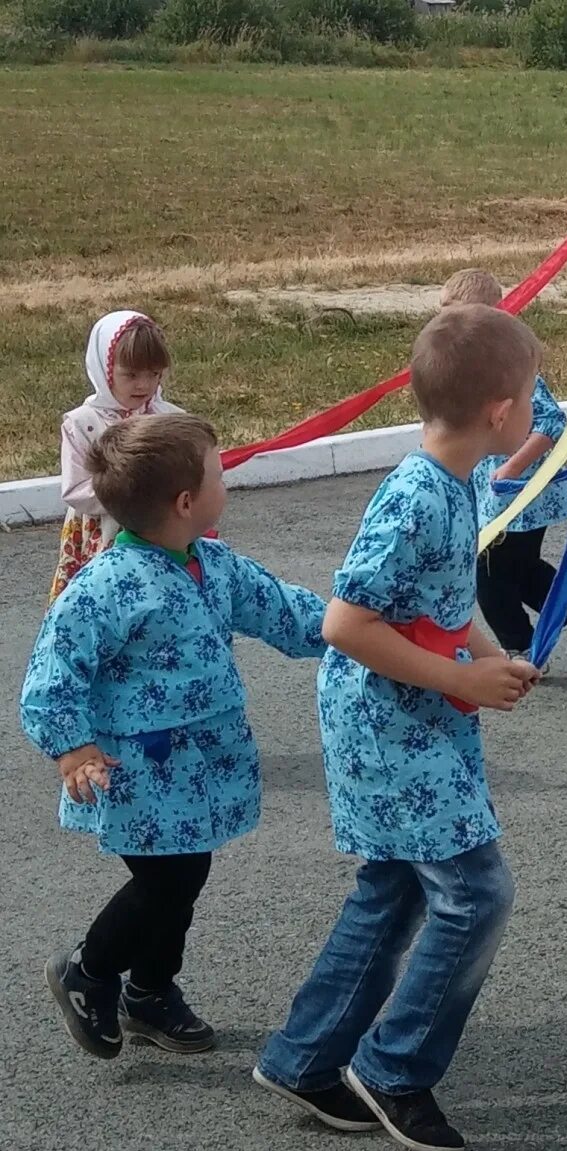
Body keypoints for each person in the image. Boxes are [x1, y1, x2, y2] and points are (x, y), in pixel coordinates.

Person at [255, 304, 542, 1151]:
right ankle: (393, 1067)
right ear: (498, 411)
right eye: (531, 395)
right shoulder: (417, 496)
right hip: (387, 728)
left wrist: (492, 655)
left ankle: (306, 1057)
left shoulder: (458, 483)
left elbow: (442, 605)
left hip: (417, 720)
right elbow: (345, 624)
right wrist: (462, 678)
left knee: (398, 885)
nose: (536, 409)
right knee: (477, 892)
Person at [23, 413, 325, 1060]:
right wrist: (71, 746)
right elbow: (53, 673)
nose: (227, 480)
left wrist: (348, 625)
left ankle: (151, 991)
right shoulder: (106, 586)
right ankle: (89, 971)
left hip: (197, 768)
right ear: (187, 502)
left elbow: (285, 610)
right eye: (220, 472)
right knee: (166, 883)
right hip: (138, 772)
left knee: (183, 876)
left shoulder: (211, 564)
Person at [439, 269, 567, 669]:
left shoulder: (506, 364)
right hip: (494, 495)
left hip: (522, 494)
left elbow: (551, 422)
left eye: (463, 319)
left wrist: (510, 471)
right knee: (516, 571)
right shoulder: (474, 366)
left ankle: (522, 649)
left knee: (489, 574)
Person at [51, 311, 184, 601]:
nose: (144, 385)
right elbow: (76, 490)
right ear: (105, 368)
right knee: (106, 605)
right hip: (105, 534)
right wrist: (131, 496)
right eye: (132, 374)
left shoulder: (170, 419)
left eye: (154, 374)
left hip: (161, 531)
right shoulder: (83, 424)